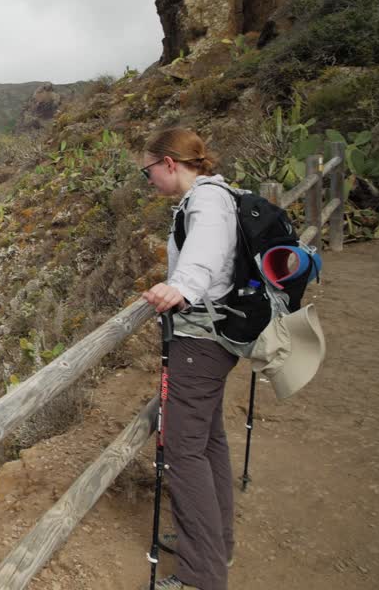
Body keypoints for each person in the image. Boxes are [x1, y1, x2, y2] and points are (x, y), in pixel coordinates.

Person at [140, 127, 237, 590]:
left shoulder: (207, 201)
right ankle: (217, 542)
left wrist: (180, 288)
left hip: (202, 339)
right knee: (207, 439)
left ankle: (201, 576)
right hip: (213, 337)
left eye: (149, 170)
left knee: (182, 446)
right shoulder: (211, 196)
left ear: (169, 163)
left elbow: (205, 257)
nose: (149, 179)